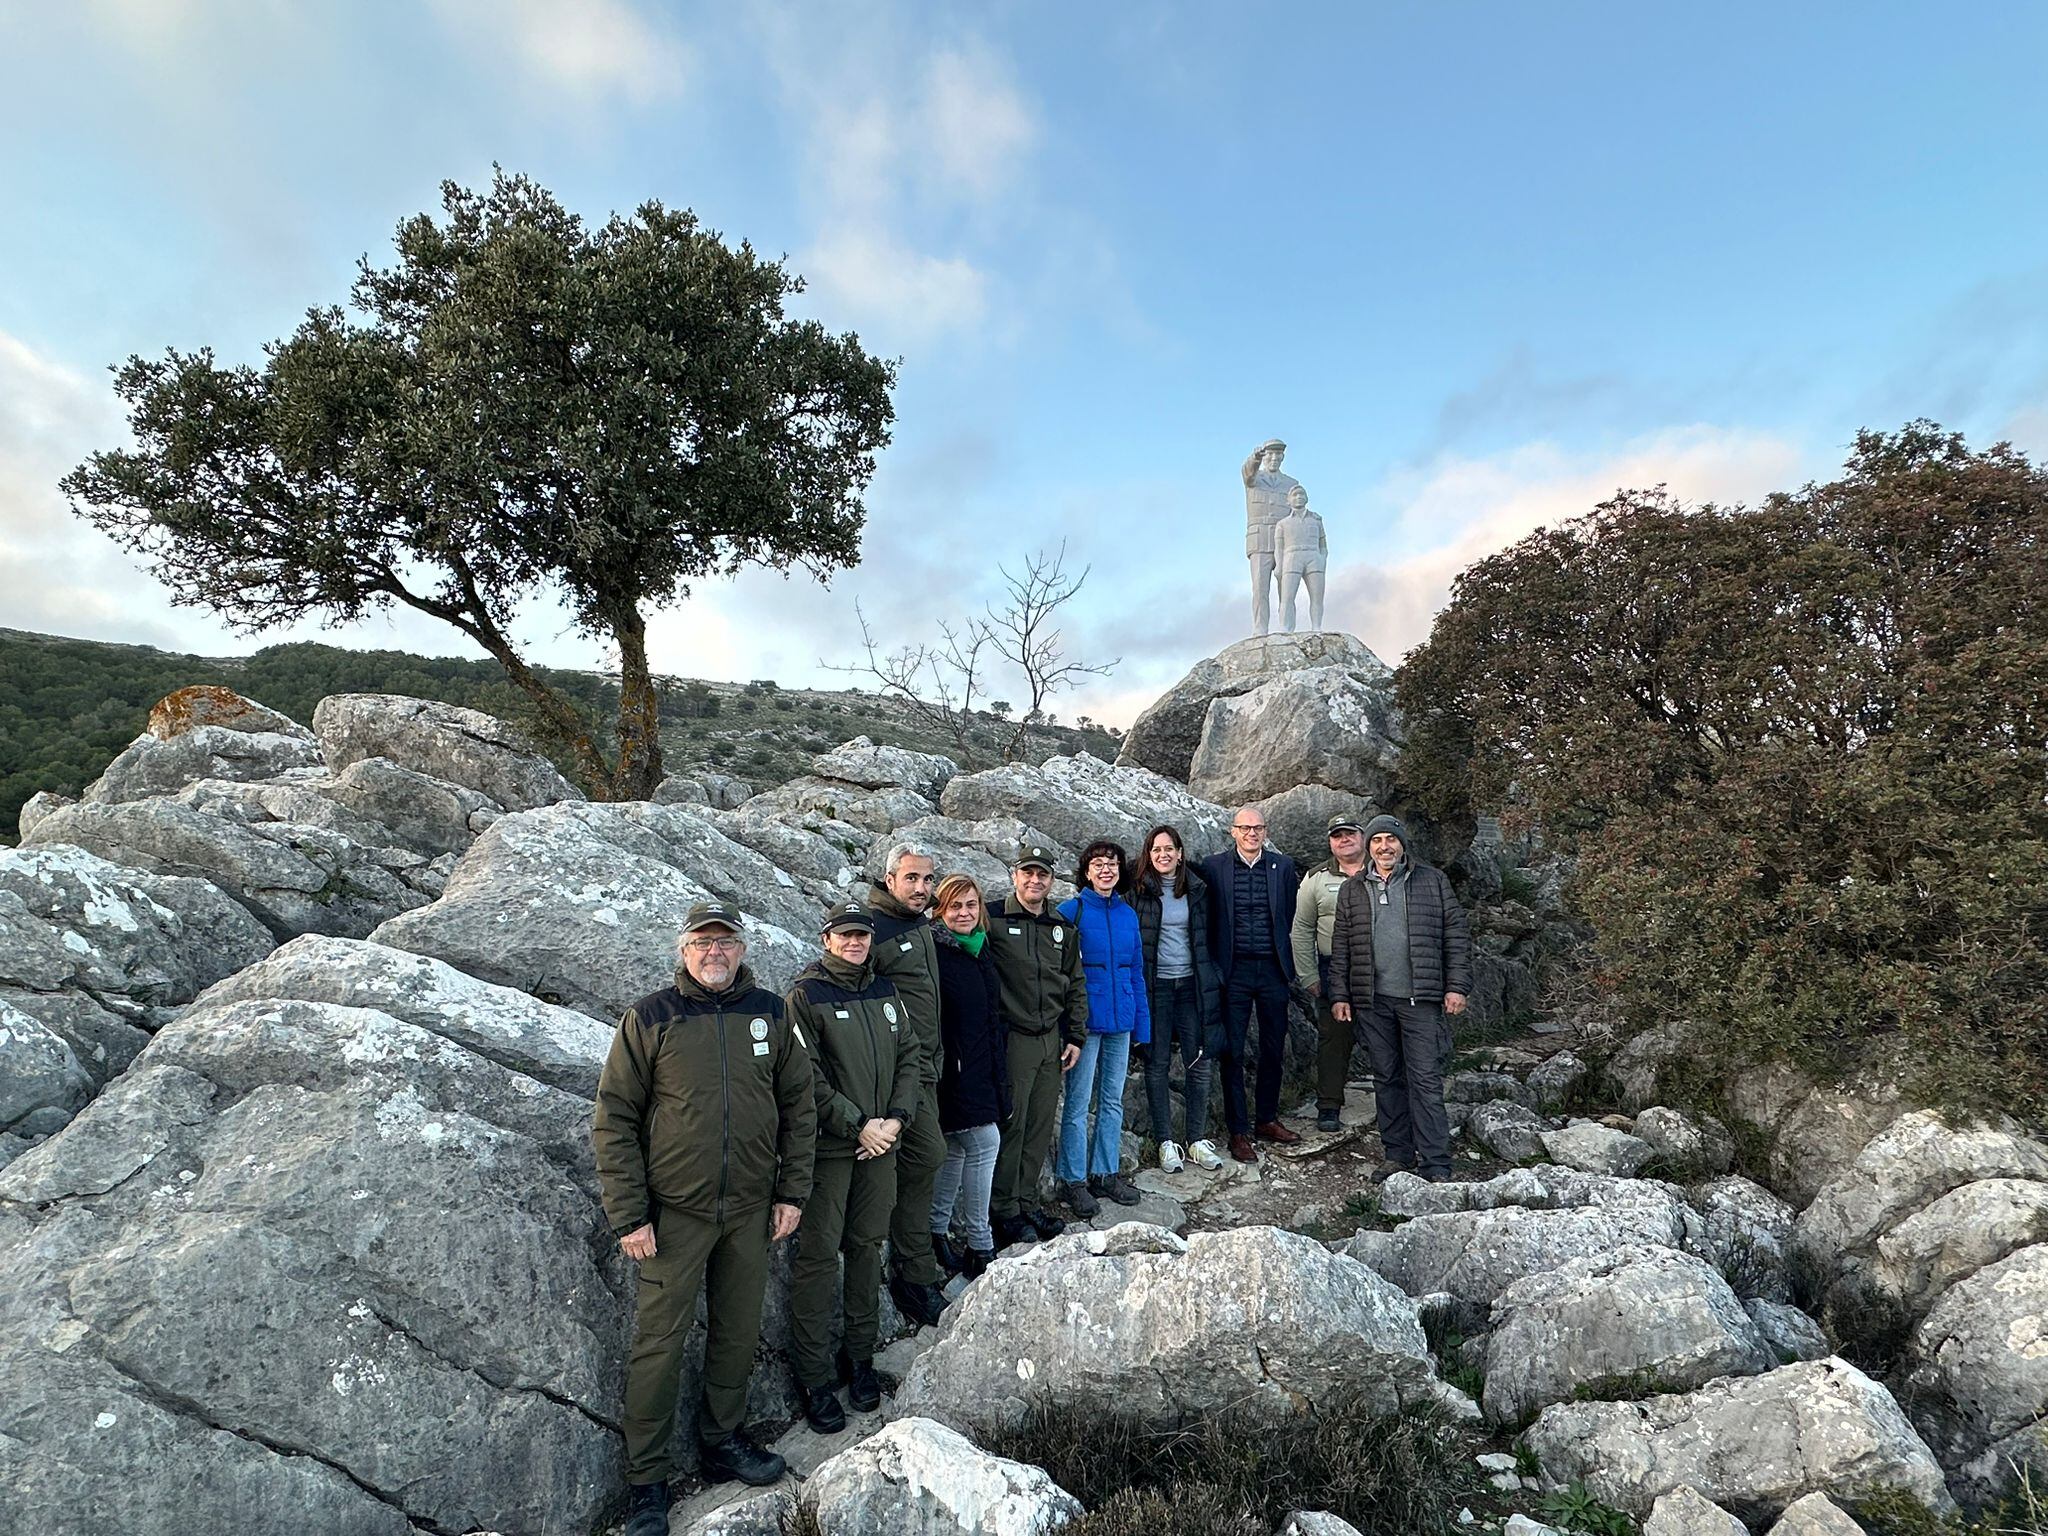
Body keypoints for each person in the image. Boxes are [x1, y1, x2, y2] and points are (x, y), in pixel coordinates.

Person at [593, 902, 815, 1535]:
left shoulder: (770, 1012)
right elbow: (614, 1118)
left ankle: (722, 1441)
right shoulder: (652, 1016)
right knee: (659, 1347)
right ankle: (648, 1482)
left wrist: (791, 1193)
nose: (714, 952)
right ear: (683, 949)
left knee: (737, 1333)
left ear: (742, 949)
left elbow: (798, 1106)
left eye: (725, 942)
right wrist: (630, 1214)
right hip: (673, 1215)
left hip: (749, 1209)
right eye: (702, 942)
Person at [781, 900, 918, 1432]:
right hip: (834, 1148)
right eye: (845, 936)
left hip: (881, 1144)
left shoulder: (885, 991)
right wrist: (857, 1123)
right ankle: (814, 1377)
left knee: (866, 1249)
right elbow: (804, 1076)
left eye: (862, 935)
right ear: (827, 940)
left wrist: (895, 1122)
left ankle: (859, 1360)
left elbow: (910, 1056)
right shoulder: (805, 996)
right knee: (817, 1259)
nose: (855, 943)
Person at [1329, 815, 1472, 1182]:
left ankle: (1436, 1161)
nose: (1384, 847)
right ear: (1368, 846)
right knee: (1386, 1079)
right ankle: (1397, 1154)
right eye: (1377, 840)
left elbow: (1456, 936)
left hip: (1420, 1000)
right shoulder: (1353, 888)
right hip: (1373, 1002)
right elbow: (1342, 948)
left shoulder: (1432, 881)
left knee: (1424, 1079)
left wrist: (1457, 986)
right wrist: (1340, 994)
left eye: (1390, 840)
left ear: (1402, 844)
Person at [865, 842, 950, 1328]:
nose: (921, 888)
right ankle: (910, 1273)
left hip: (927, 1067)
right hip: (897, 1075)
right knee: (928, 1156)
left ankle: (913, 1267)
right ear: (890, 878)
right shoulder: (873, 930)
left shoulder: (918, 924)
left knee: (923, 1162)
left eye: (926, 879)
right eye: (912, 878)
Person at [987, 843, 1089, 1247]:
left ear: (1051, 880)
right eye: (1027, 873)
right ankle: (1004, 1211)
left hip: (1051, 1041)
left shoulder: (1061, 926)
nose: (1035, 880)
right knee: (1011, 1127)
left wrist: (1076, 1036)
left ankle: (1027, 1203)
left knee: (1038, 1127)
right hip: (1013, 1039)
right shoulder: (992, 918)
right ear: (1015, 876)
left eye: (1042, 874)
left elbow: (1075, 983)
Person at [1055, 840, 1150, 1215]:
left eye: (1112, 864)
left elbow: (1137, 972)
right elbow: (1060, 975)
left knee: (1112, 1101)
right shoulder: (1070, 912)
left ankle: (1105, 1173)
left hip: (1121, 1021)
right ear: (1087, 871)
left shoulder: (1127, 914)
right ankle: (1073, 1180)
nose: (1106, 870)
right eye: (1098, 864)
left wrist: (1141, 1024)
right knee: (1078, 1104)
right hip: (1086, 1024)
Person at [1201, 806, 1301, 1162]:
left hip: (1273, 969)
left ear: (1265, 830)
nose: (1252, 834)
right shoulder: (1214, 867)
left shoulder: (1283, 867)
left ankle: (1267, 1120)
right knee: (1233, 1051)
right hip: (1234, 970)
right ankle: (1238, 1130)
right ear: (1232, 831)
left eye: (1257, 828)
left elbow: (1291, 915)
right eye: (1245, 828)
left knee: (1274, 1048)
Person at [1127, 824, 1226, 1172]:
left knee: (1198, 1061)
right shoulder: (1137, 891)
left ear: (1181, 853)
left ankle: (1196, 1140)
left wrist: (1216, 975)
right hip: (1156, 988)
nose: (1163, 855)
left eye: (1169, 849)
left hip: (1192, 986)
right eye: (1156, 850)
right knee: (1155, 1063)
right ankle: (1166, 1142)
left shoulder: (1198, 890)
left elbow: (1212, 936)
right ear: (1147, 855)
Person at [928, 873, 1010, 1278]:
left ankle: (937, 1231)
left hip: (981, 1069)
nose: (964, 913)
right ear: (941, 911)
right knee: (984, 1143)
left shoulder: (978, 949)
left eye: (971, 905)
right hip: (954, 1075)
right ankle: (980, 1244)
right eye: (955, 906)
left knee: (958, 1151)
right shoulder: (937, 954)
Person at [1292, 812, 1372, 1132]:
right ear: (1330, 842)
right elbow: (1301, 928)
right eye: (1337, 835)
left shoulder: (1382, 870)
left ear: (1363, 836)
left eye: (1350, 833)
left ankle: (1397, 1100)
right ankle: (1328, 1105)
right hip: (1332, 967)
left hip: (1380, 968)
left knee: (1387, 1036)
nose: (1344, 839)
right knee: (1333, 1039)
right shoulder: (1316, 878)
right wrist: (1308, 975)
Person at [1241, 438, 1301, 636]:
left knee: (1287, 588)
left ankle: (1287, 628)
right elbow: (1248, 472)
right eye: (1270, 454)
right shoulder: (1254, 479)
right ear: (1264, 457)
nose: (1274, 458)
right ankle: (1260, 629)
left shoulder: (1291, 484)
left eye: (1278, 454)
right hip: (1260, 539)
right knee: (1260, 588)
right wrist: (1255, 458)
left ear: (1282, 457)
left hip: (1285, 540)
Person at [1274, 482, 1329, 633]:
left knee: (1317, 597)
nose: (1298, 497)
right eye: (1295, 495)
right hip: (1292, 557)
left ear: (1306, 498)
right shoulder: (1282, 524)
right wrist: (1279, 565)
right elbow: (1279, 548)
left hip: (1313, 557)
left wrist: (1322, 559)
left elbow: (1323, 544)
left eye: (1301, 495)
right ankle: (1286, 627)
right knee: (1287, 597)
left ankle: (1316, 627)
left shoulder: (1316, 520)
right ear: (1288, 500)